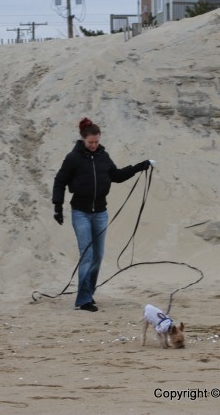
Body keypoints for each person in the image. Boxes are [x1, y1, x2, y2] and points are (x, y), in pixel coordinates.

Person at [52, 117, 151, 312]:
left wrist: (140, 166)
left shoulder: (103, 157)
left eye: (96, 142)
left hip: (100, 213)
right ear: (83, 140)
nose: (94, 145)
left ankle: (89, 292)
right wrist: (57, 206)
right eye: (90, 142)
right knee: (87, 255)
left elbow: (117, 176)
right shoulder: (73, 158)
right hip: (80, 212)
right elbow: (60, 181)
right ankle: (83, 300)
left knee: (98, 255)